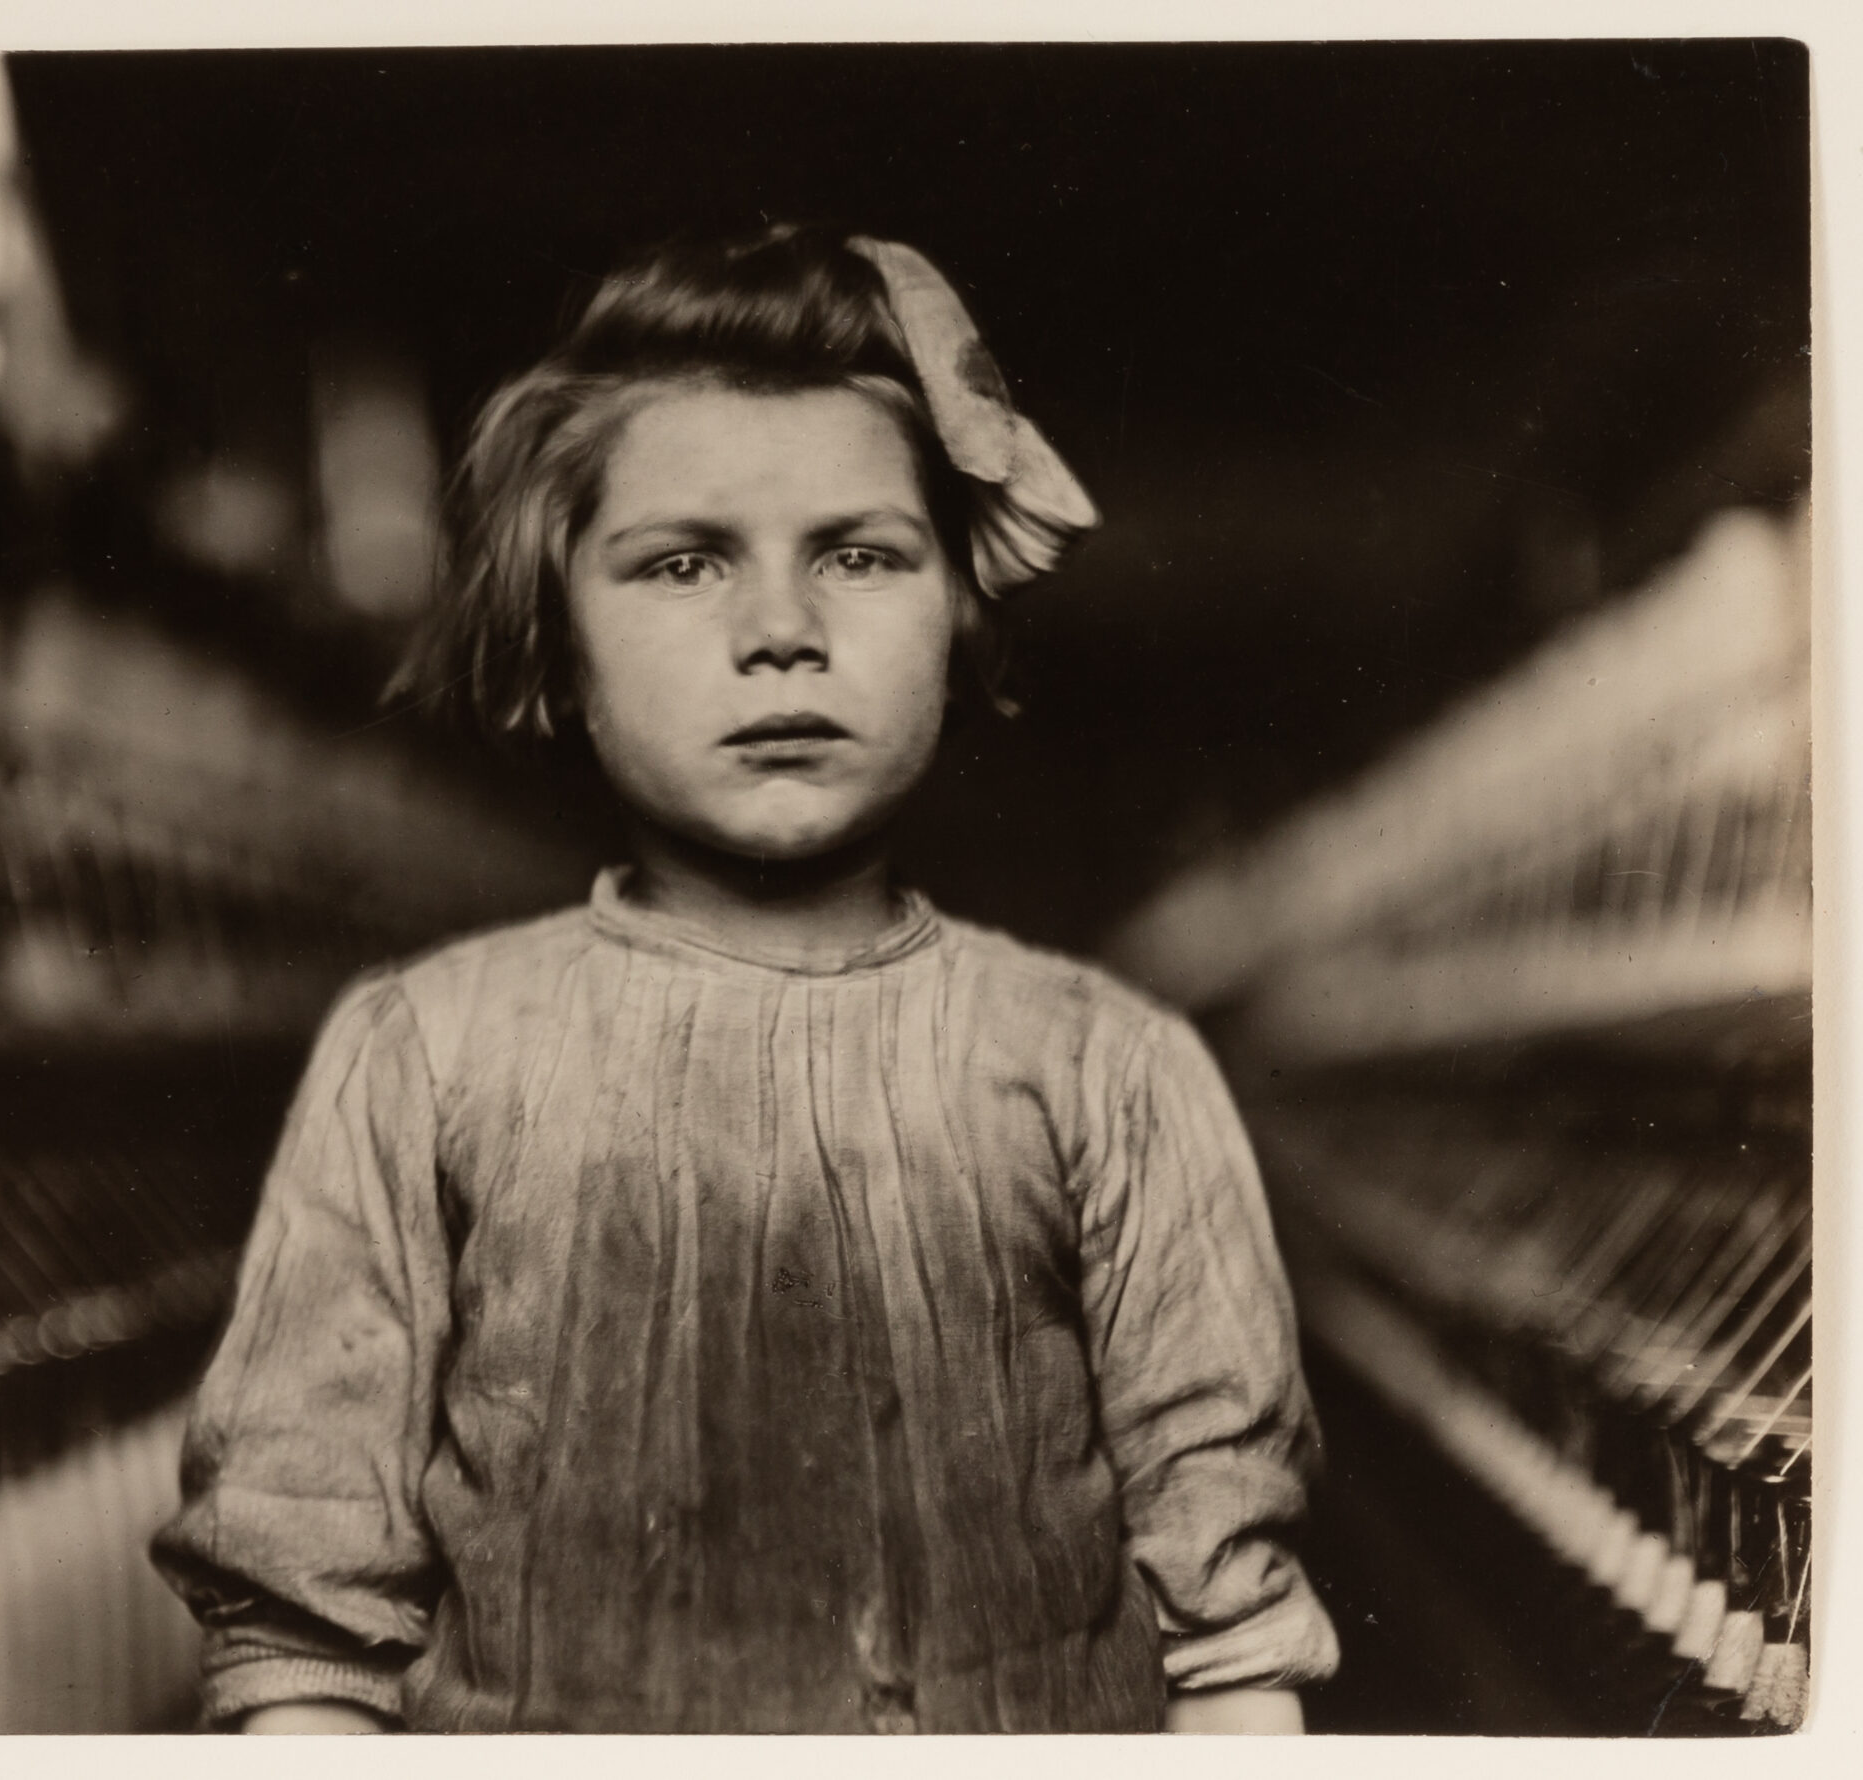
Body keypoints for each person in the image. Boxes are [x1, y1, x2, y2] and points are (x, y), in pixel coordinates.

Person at [150, 223, 1340, 1734]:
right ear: (554, 639)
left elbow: (1229, 1654)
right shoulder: (425, 1053)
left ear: (959, 616)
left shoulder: (1110, 1063)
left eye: (860, 555)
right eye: (683, 562)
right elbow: (304, 1638)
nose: (782, 633)